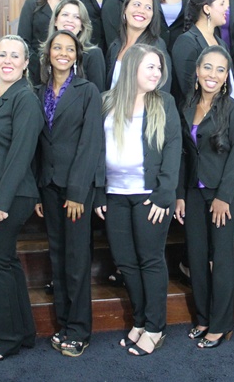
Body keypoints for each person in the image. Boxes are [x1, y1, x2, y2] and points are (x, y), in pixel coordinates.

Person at [94, 44, 182, 356]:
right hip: (115, 195)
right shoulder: (106, 101)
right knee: (126, 262)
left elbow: (173, 148)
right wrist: (98, 192)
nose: (157, 73)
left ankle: (156, 328)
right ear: (132, 68)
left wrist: (164, 195)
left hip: (150, 197)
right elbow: (94, 150)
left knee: (150, 260)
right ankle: (141, 320)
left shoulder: (164, 102)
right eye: (150, 67)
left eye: (159, 67)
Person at [32, 29, 103, 357]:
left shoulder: (87, 91)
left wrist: (77, 192)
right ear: (48, 54)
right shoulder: (38, 92)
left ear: (77, 56)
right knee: (58, 257)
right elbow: (37, 144)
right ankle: (64, 323)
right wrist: (37, 190)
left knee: (76, 260)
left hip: (76, 190)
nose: (63, 53)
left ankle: (79, 329)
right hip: (48, 185)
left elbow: (90, 144)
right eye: (57, 48)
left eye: (69, 49)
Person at [0, 35, 43, 361]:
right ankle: (23, 332)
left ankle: (6, 339)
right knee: (4, 262)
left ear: (26, 63)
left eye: (15, 56)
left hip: (9, 195)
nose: (8, 60)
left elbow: (21, 154)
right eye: (2, 54)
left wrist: (1, 202)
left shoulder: (24, 98)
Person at [175, 46, 234, 349]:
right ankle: (204, 318)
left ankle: (221, 325)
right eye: (207, 67)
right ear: (197, 70)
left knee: (221, 258)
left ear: (226, 76)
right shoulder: (186, 105)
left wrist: (224, 197)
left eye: (220, 70)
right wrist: (180, 195)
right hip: (193, 192)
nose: (212, 75)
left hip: (223, 195)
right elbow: (183, 155)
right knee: (196, 257)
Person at [171, 0, 234, 105]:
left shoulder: (221, 43)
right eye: (222, 4)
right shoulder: (186, 42)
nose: (226, 8)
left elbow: (232, 84)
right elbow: (188, 89)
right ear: (207, 9)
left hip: (229, 110)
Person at [18, 0, 72, 86]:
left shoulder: (73, 5)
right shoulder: (31, 5)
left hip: (68, 66)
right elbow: (23, 42)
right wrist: (41, 64)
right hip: (37, 71)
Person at [105, 0, 171, 93]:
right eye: (137, 4)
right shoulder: (115, 46)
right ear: (125, 9)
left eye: (148, 7)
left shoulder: (156, 46)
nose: (141, 11)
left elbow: (163, 91)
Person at [50, 0, 106, 92]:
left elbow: (98, 94)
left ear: (82, 25)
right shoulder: (46, 52)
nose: (70, 20)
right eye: (65, 15)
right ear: (55, 21)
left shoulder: (93, 54)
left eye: (76, 17)